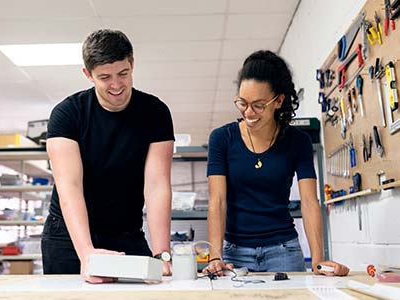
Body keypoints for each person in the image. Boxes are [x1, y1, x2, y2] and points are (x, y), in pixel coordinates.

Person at [42, 29, 174, 283]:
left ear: (132, 64)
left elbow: (157, 185)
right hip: (69, 237)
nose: (116, 85)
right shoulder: (67, 114)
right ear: (88, 74)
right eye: (105, 77)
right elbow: (69, 185)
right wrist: (86, 254)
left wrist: (162, 254)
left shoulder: (155, 113)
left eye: (123, 74)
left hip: (125, 232)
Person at [205, 50, 349, 276]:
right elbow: (218, 201)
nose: (248, 112)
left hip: (284, 251)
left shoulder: (297, 142)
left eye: (258, 105)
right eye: (242, 102)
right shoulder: (222, 139)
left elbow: (310, 202)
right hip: (234, 253)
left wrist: (318, 261)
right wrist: (215, 256)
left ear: (279, 101)